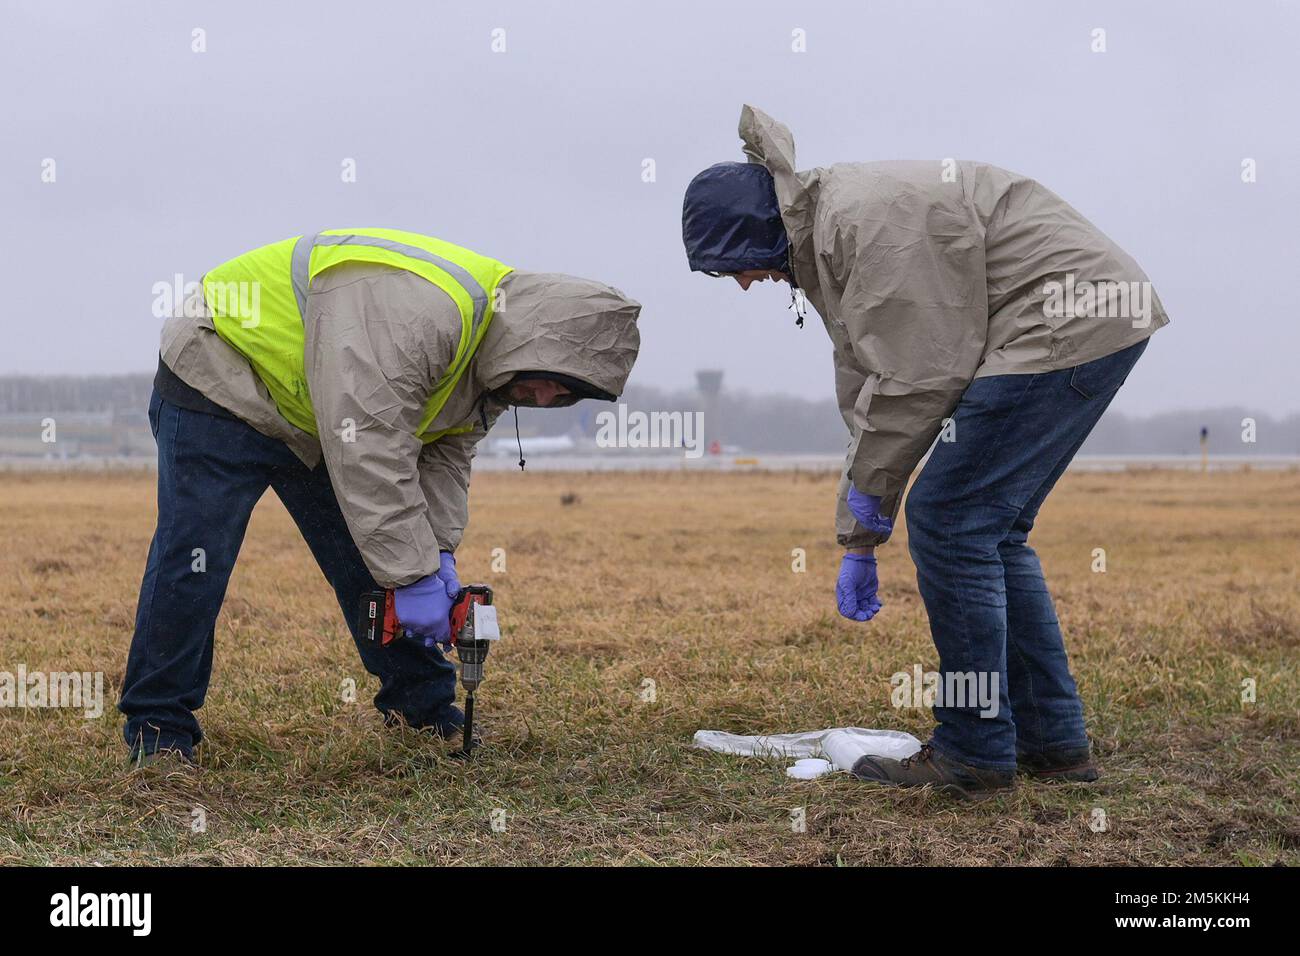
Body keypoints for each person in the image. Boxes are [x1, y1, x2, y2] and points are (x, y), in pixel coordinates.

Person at [682, 107, 1168, 798]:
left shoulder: (860, 228)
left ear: (757, 232)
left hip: (1061, 321)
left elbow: (917, 381)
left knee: (950, 518)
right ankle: (1053, 742)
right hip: (1090, 317)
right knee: (990, 531)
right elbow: (869, 381)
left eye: (737, 266)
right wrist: (858, 527)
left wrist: (873, 509)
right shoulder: (827, 233)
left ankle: (974, 750)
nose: (743, 283)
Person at [121, 228, 641, 765]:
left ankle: (423, 711)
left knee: (380, 555)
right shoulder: (424, 320)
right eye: (549, 380)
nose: (546, 396)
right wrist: (413, 576)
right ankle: (158, 728)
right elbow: (369, 445)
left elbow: (441, 460)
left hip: (319, 413)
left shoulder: (495, 367)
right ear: (536, 342)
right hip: (222, 370)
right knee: (196, 558)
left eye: (567, 393)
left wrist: (436, 560)